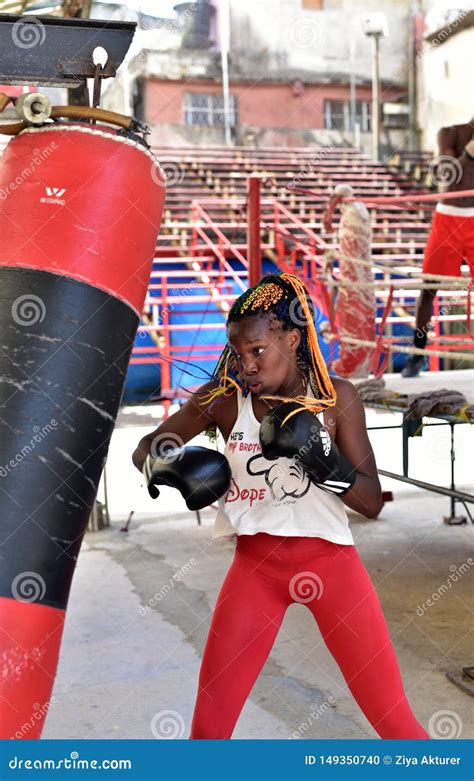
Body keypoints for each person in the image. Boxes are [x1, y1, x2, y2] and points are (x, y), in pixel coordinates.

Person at [133, 272, 430, 740]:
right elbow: (148, 444)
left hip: (332, 568)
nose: (246, 364)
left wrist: (325, 462)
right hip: (255, 571)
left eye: (257, 350)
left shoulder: (336, 400)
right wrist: (168, 465)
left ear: (293, 340)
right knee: (208, 731)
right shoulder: (225, 400)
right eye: (237, 352)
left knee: (396, 724)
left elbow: (371, 502)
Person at [402, 118, 474, 377]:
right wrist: (471, 151)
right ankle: (417, 353)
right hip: (448, 220)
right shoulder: (450, 133)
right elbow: (450, 177)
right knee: (429, 288)